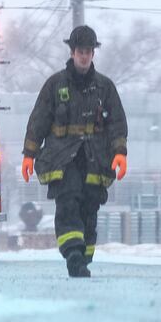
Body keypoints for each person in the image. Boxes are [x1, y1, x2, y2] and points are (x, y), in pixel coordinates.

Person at [21, 25, 129, 278]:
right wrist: (29, 154)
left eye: (88, 51)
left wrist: (120, 152)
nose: (84, 56)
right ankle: (73, 253)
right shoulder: (55, 85)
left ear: (93, 54)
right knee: (68, 202)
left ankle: (84, 255)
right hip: (63, 158)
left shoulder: (105, 88)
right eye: (80, 51)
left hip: (96, 160)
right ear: (72, 52)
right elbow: (39, 120)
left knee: (89, 207)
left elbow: (117, 123)